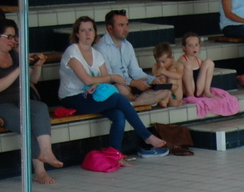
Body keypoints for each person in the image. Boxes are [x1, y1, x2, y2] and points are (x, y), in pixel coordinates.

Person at [57, 16, 169, 156]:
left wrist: (97, 84)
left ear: (95, 32)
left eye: (90, 30)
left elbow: (103, 80)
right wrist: (111, 77)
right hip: (72, 97)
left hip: (91, 95)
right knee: (118, 99)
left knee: (118, 114)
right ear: (77, 34)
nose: (87, 34)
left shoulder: (97, 55)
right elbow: (87, 79)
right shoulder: (72, 51)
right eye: (83, 30)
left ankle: (114, 155)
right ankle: (146, 136)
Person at [0, 19, 63, 184]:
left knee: (40, 108)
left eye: (14, 36)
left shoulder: (14, 55)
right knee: (26, 120)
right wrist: (20, 68)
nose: (13, 41)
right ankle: (40, 171)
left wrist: (37, 66)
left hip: (18, 101)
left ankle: (46, 150)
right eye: (8, 37)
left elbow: (33, 80)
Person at [94, 10, 171, 107]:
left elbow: (136, 72)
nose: (126, 29)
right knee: (121, 89)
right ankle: (141, 101)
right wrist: (133, 83)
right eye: (121, 25)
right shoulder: (101, 47)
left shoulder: (128, 45)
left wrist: (153, 80)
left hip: (130, 85)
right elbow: (109, 76)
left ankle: (132, 103)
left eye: (127, 25)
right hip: (115, 86)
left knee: (164, 90)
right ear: (110, 28)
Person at [178, 33, 216, 98]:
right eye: (190, 45)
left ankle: (206, 91)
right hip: (187, 89)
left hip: (199, 89)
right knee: (187, 65)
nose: (194, 48)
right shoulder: (181, 60)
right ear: (184, 48)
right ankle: (190, 95)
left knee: (209, 62)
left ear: (199, 46)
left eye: (196, 45)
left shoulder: (199, 60)